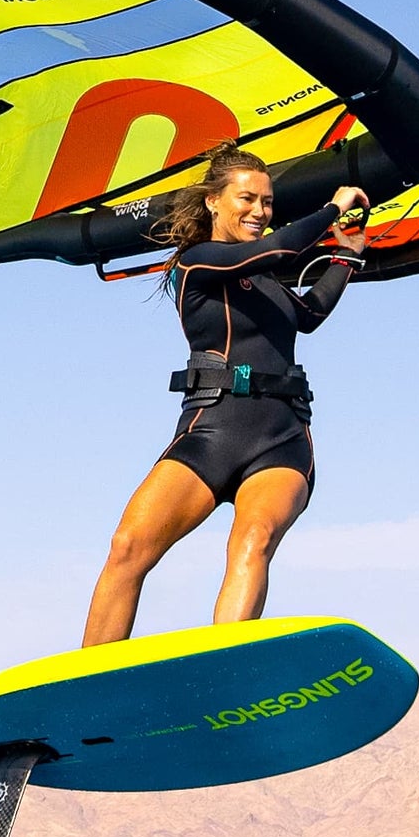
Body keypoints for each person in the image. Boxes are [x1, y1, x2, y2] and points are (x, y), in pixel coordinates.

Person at [80, 142, 370, 647]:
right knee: (127, 547)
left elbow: (307, 316)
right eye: (247, 199)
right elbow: (280, 249)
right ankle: (87, 680)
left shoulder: (266, 280)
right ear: (214, 201)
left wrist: (346, 257)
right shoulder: (199, 263)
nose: (260, 211)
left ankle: (226, 667)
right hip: (210, 432)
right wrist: (332, 209)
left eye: (268, 202)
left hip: (281, 438)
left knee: (252, 540)